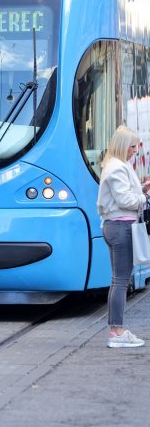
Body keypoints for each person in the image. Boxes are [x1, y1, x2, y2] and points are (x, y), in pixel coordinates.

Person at [96, 125, 150, 348]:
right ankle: (116, 333)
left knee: (118, 280)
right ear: (123, 145)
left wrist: (142, 190)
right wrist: (144, 198)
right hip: (121, 227)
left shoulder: (115, 165)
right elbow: (124, 200)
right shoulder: (117, 167)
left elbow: (125, 195)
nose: (135, 150)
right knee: (120, 281)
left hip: (116, 226)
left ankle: (117, 330)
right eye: (133, 146)